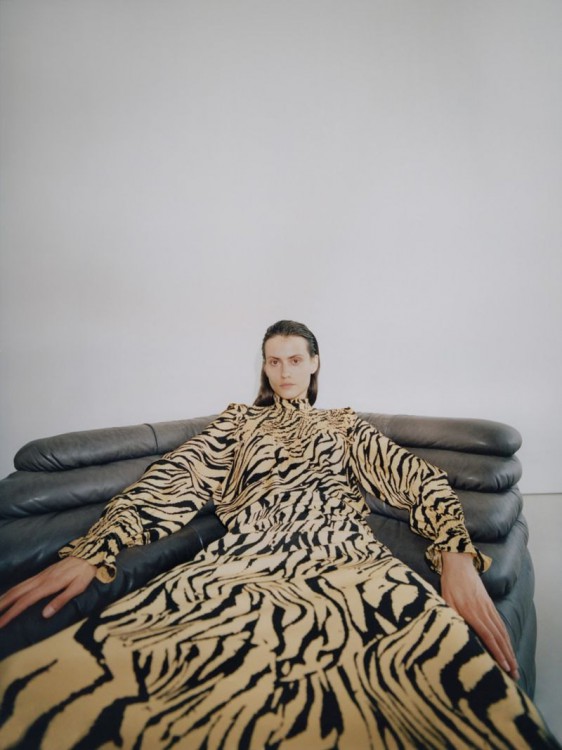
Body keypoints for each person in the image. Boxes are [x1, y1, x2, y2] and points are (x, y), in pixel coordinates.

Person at [0, 320, 559, 749]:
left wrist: (455, 557)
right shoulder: (236, 423)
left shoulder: (343, 424)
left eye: (295, 359)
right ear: (264, 368)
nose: (285, 370)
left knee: (432, 681)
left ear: (315, 364)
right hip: (241, 560)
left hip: (349, 560)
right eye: (274, 361)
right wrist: (94, 549)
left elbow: (416, 479)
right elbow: (176, 479)